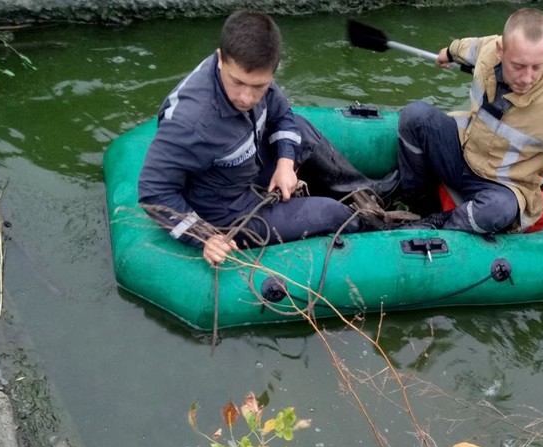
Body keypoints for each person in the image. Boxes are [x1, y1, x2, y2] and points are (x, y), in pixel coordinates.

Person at [138, 10, 397, 266]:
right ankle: (381, 231)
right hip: (230, 211)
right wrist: (204, 237)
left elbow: (282, 114)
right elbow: (153, 191)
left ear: (273, 71)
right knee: (331, 212)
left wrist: (285, 163)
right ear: (220, 59)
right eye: (237, 83)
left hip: (250, 164)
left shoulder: (255, 69)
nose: (246, 98)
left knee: (300, 128)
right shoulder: (189, 123)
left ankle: (367, 192)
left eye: (259, 87)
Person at [396, 7, 543, 247]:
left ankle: (439, 224)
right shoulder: (488, 50)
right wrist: (449, 52)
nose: (527, 78)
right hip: (466, 152)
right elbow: (471, 47)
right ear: (501, 51)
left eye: (537, 66)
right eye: (518, 66)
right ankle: (413, 199)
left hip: (503, 185)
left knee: (497, 209)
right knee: (415, 115)